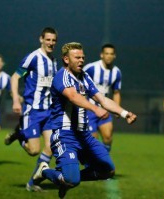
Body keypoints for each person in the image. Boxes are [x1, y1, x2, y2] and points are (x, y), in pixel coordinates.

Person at [32, 42, 137, 198]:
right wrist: (95, 109)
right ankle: (44, 171)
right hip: (65, 136)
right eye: (77, 57)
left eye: (83, 57)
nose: (81, 60)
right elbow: (73, 97)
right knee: (72, 179)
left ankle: (65, 180)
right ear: (66, 59)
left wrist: (124, 113)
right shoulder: (62, 76)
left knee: (107, 170)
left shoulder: (85, 77)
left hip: (84, 136)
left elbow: (103, 99)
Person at [4, 27, 58, 191]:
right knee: (33, 151)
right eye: (48, 39)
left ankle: (32, 184)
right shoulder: (33, 58)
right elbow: (15, 77)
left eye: (53, 40)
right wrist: (15, 99)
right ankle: (19, 134)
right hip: (32, 111)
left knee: (51, 146)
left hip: (48, 112)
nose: (51, 43)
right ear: (41, 39)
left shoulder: (54, 61)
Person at [83, 44, 121, 152]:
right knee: (93, 142)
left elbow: (116, 92)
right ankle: (95, 165)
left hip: (105, 109)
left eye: (111, 54)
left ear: (115, 56)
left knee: (108, 137)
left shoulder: (116, 72)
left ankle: (103, 162)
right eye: (106, 53)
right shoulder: (91, 68)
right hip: (90, 110)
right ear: (101, 55)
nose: (109, 56)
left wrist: (117, 109)